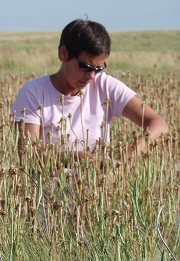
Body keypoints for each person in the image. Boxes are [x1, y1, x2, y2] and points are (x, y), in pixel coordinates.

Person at [11, 19, 169, 169]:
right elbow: (28, 158)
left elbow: (158, 124)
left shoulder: (105, 85)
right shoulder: (33, 93)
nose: (92, 76)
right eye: (85, 67)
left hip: (97, 193)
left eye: (98, 69)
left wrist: (130, 154)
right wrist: (75, 158)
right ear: (64, 54)